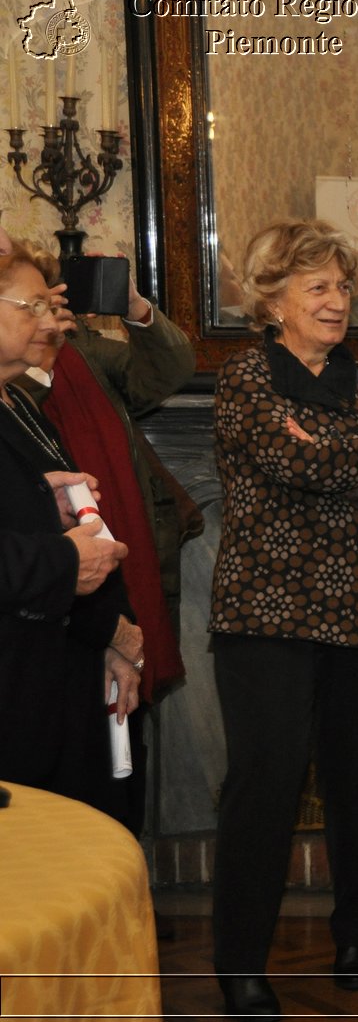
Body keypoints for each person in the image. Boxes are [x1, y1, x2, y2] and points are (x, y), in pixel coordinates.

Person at [208, 218, 358, 1018]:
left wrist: (348, 450)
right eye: (319, 288)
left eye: (344, 286)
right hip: (268, 615)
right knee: (262, 788)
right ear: (273, 300)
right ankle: (240, 962)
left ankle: (355, 936)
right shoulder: (244, 379)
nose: (339, 302)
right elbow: (285, 458)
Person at [23, 248, 200, 850]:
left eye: (51, 299)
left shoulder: (90, 355)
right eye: (31, 305)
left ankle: (125, 881)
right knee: (78, 751)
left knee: (130, 729)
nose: (46, 315)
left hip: (127, 567)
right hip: (59, 599)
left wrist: (130, 307)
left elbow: (170, 369)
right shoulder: (18, 385)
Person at [0, 235, 141, 819]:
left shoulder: (17, 402)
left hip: (46, 676)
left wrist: (113, 632)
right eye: (30, 305)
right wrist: (66, 563)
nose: (49, 319)